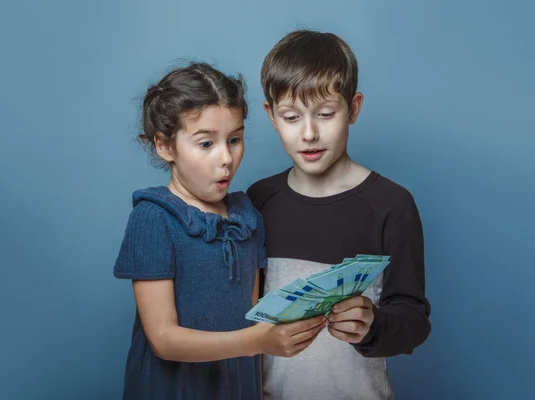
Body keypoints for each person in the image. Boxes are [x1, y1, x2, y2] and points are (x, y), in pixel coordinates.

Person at [113, 62, 326, 400]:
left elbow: (255, 315)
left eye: (235, 139)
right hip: (173, 388)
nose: (226, 157)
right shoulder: (153, 218)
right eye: (205, 143)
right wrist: (257, 341)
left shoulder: (247, 217)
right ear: (166, 146)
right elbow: (164, 340)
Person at [247, 30, 432, 400]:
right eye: (291, 117)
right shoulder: (258, 200)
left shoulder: (393, 205)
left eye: (326, 114)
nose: (309, 133)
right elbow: (246, 313)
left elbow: (414, 319)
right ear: (271, 116)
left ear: (354, 107)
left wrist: (373, 324)